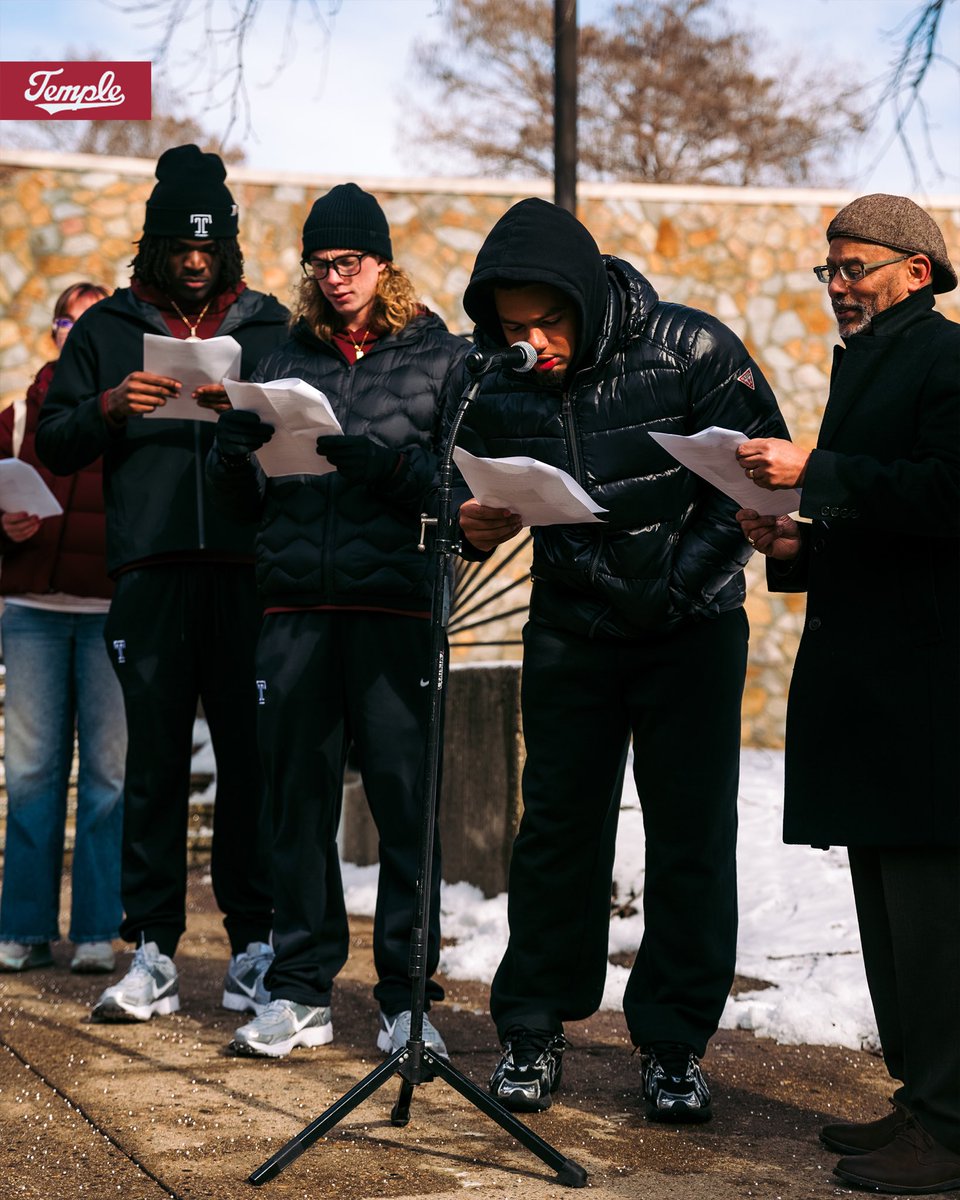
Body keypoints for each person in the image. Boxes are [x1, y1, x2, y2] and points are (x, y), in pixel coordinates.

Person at [447, 197, 788, 1120]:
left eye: (546, 321)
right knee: (557, 829)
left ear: (588, 299)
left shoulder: (694, 349)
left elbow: (753, 484)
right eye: (512, 326)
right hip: (571, 628)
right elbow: (456, 484)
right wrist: (470, 524)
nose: (533, 342)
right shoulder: (496, 377)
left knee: (689, 836)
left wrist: (672, 590)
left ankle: (674, 1045)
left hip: (693, 627)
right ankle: (531, 1028)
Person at [205, 183, 468, 1059]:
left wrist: (387, 473)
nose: (333, 278)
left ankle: (406, 1002)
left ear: (381, 263)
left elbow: (464, 489)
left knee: (403, 806)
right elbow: (246, 504)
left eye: (347, 262)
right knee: (295, 805)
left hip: (394, 609)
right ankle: (299, 990)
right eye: (320, 264)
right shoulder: (281, 354)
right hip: (293, 608)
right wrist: (231, 458)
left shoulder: (441, 357)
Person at [736, 194, 959, 1195]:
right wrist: (801, 541)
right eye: (829, 270)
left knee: (935, 915)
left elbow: (949, 497)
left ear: (917, 271)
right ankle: (925, 1100)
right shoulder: (876, 361)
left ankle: (952, 1128)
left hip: (929, 693)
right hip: (877, 687)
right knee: (888, 906)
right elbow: (888, 520)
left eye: (857, 267)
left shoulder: (946, 360)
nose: (838, 286)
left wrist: (816, 471)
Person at [35, 145, 289, 1023]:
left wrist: (250, 418)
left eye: (208, 249)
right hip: (147, 574)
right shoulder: (106, 329)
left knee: (249, 766)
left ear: (227, 249)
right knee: (151, 765)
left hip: (247, 572)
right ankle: (152, 951)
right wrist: (113, 405)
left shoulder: (267, 325)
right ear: (152, 247)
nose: (193, 262)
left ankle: (255, 947)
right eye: (178, 249)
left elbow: (306, 431)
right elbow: (55, 439)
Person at [0, 281, 125, 976]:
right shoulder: (19, 417)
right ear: (53, 334)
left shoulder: (135, 412)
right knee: (30, 776)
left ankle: (98, 932)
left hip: (111, 615)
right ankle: (21, 927)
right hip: (32, 617)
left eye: (91, 322)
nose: (75, 333)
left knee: (108, 778)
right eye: (64, 322)